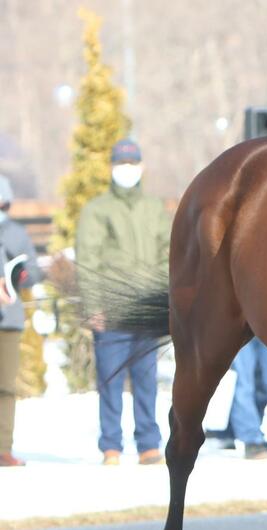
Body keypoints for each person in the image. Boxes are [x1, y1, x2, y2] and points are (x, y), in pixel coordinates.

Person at [76, 138, 171, 466]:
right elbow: (88, 259)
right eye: (121, 163)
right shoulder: (97, 210)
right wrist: (93, 306)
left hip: (146, 310)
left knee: (147, 380)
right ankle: (111, 446)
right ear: (112, 167)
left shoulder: (154, 208)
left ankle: (148, 443)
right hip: (112, 311)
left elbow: (167, 255)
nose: (126, 169)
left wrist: (163, 300)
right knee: (110, 380)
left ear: (141, 167)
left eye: (131, 163)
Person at [0, 175, 42, 466]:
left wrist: (20, 276)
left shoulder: (17, 233)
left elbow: (35, 271)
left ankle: (3, 447)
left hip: (9, 321)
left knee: (6, 386)